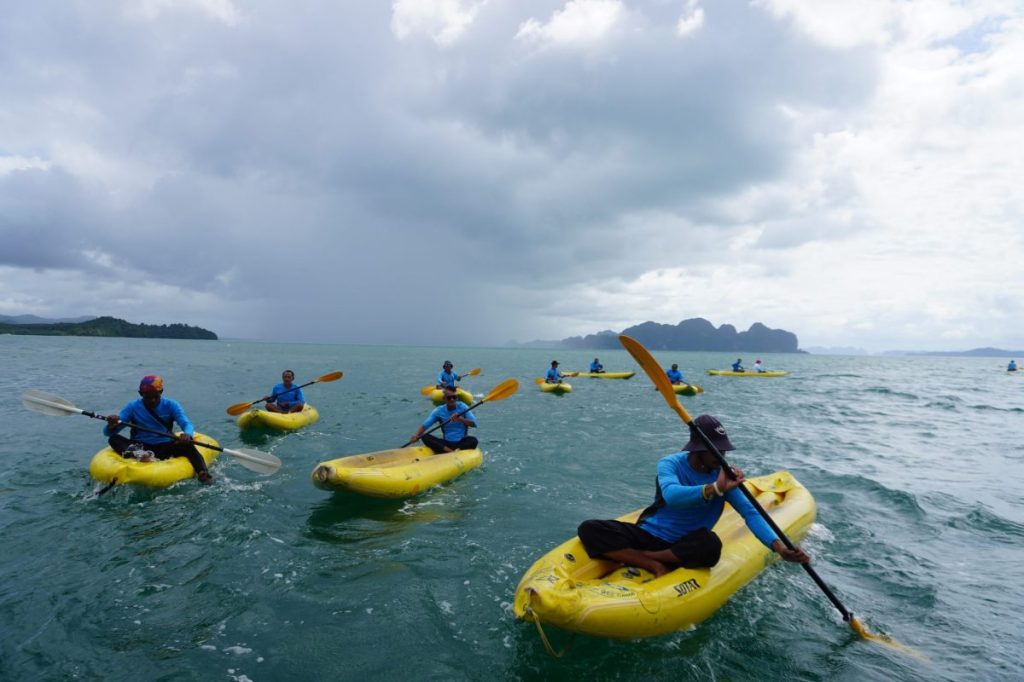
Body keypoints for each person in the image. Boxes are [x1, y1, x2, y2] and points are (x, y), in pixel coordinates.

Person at [577, 414, 809, 577]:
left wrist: (779, 548)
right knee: (590, 528)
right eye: (717, 450)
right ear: (698, 449)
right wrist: (714, 489)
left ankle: (643, 556)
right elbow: (672, 497)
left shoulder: (725, 474)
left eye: (724, 449)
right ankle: (653, 562)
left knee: (710, 546)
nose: (723, 455)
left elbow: (751, 513)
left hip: (686, 542)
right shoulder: (670, 463)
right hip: (650, 533)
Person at [103, 375, 213, 484]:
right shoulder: (132, 407)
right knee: (113, 439)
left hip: (166, 446)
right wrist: (111, 425)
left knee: (188, 445)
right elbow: (108, 433)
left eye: (155, 396)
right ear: (141, 394)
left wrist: (187, 434)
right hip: (141, 447)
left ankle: (203, 473)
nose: (152, 400)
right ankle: (141, 455)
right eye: (148, 397)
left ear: (161, 392)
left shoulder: (171, 405)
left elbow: (186, 423)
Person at [410, 386, 478, 453]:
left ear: (457, 398)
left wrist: (461, 419)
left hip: (461, 442)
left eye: (454, 397)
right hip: (446, 444)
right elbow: (425, 425)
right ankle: (451, 451)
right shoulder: (439, 410)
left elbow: (474, 424)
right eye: (449, 398)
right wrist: (416, 436)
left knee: (473, 440)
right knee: (424, 436)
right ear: (444, 398)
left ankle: (452, 450)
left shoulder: (463, 407)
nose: (452, 399)